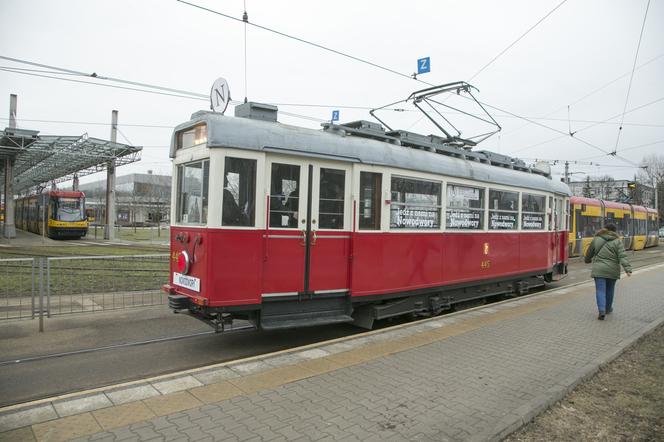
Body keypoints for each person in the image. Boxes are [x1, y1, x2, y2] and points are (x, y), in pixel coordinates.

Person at [584, 223, 632, 320]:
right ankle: (608, 309)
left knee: (600, 290)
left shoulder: (597, 239)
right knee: (610, 290)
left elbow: (589, 253)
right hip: (612, 269)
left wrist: (587, 260)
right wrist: (628, 269)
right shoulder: (618, 241)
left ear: (604, 229)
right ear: (615, 231)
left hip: (599, 269)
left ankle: (601, 311)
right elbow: (622, 256)